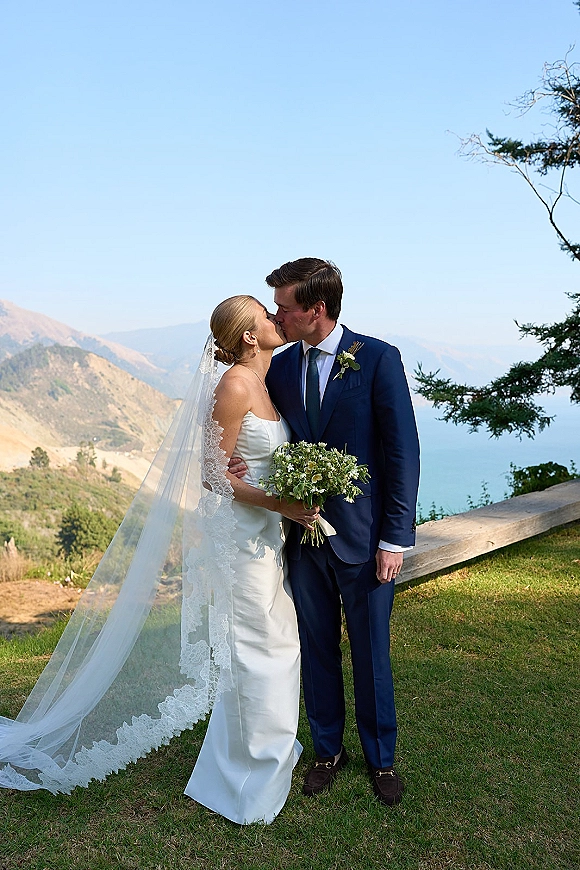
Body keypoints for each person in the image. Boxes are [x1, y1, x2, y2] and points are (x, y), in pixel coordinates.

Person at [0, 295, 316, 826]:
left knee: (280, 642)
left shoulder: (265, 379)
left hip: (267, 533)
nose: (276, 320)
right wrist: (279, 502)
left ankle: (269, 753)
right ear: (247, 335)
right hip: (243, 538)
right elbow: (213, 477)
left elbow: (245, 460)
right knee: (258, 648)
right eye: (267, 315)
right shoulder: (236, 385)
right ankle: (243, 775)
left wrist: (289, 489)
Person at [233, 258, 420, 806]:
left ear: (316, 310)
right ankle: (326, 751)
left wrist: (394, 540)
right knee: (315, 646)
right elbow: (259, 424)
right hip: (299, 537)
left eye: (284, 308)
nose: (276, 315)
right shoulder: (282, 368)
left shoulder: (379, 359)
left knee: (371, 652)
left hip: (364, 541)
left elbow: (401, 452)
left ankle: (380, 760)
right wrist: (240, 470)